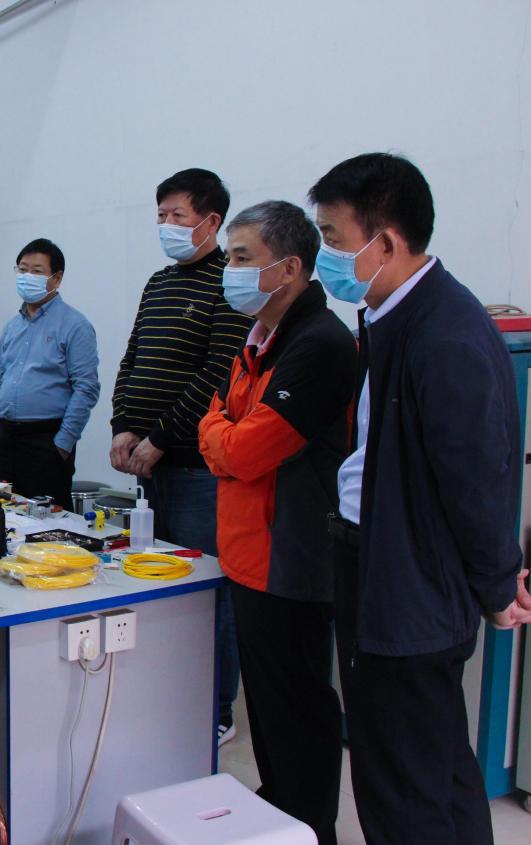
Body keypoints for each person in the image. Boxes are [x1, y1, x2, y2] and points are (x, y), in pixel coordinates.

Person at [310, 153, 531, 845]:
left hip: (408, 586)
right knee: (428, 761)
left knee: (402, 779)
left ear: (385, 243)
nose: (325, 256)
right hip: (379, 563)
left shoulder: (445, 334)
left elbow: (479, 481)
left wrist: (497, 583)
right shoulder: (392, 316)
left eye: (333, 238)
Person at [197, 201, 355, 845]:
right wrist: (224, 435)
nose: (229, 270)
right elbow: (218, 420)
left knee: (298, 704)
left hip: (289, 554)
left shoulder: (320, 344)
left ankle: (310, 825)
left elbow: (243, 450)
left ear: (288, 268)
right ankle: (281, 808)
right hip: (248, 550)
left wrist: (224, 436)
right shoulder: (260, 335)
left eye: (242, 258)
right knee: (267, 704)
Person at [110, 168, 252, 745]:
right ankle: (168, 694)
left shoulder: (230, 283)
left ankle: (216, 708)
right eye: (161, 215)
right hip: (149, 464)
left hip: (196, 468)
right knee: (157, 582)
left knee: (206, 589)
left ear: (211, 222)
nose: (165, 225)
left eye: (177, 216)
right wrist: (123, 426)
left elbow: (218, 375)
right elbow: (132, 358)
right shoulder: (158, 283)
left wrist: (162, 437)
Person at [0, 238, 100, 510]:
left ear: (57, 278)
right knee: (1, 517)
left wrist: (63, 443)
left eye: (37, 271)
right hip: (6, 438)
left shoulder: (75, 325)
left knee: (47, 524)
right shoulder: (12, 326)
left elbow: (86, 388)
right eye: (22, 269)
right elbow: (2, 378)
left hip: (46, 441)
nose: (27, 276)